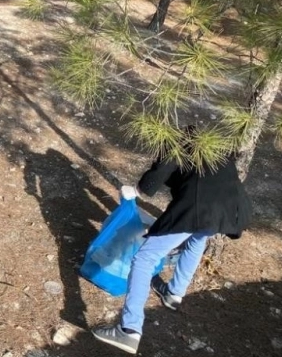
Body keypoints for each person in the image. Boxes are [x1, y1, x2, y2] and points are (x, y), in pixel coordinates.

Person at [92, 131, 252, 354]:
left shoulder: (175, 139)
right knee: (197, 240)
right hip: (228, 208)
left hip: (198, 207)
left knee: (144, 258)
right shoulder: (210, 141)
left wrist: (135, 191)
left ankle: (129, 329)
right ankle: (174, 294)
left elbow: (155, 179)